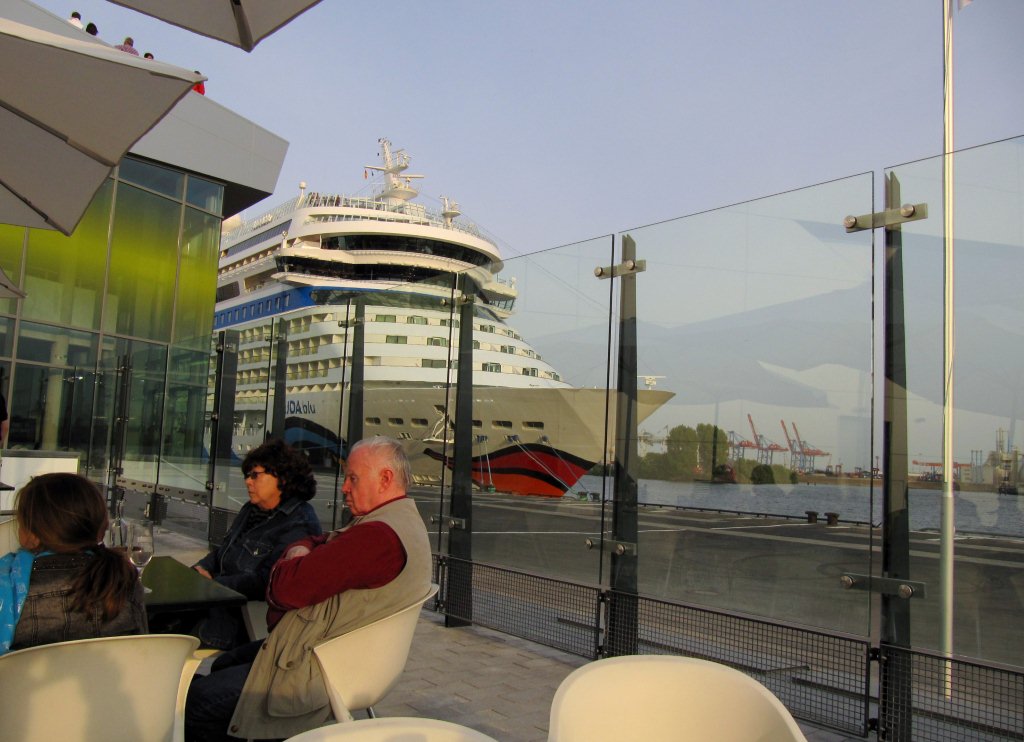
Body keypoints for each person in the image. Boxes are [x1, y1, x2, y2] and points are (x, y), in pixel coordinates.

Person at [185, 436, 431, 742]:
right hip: (333, 653)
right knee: (224, 662)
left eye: (353, 478)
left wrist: (297, 555)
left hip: (317, 665)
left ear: (385, 479)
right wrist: (303, 550)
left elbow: (284, 589)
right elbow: (320, 540)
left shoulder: (377, 537)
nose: (344, 488)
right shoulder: (397, 523)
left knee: (198, 702)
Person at [188, 438, 321, 649]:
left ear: (282, 477)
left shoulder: (298, 523)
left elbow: (267, 581)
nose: (248, 482)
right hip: (212, 606)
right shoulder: (251, 510)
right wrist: (199, 569)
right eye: (247, 475)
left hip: (238, 624)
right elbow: (223, 552)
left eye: (255, 475)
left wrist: (213, 585)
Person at [0, 473, 146, 654]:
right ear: (101, 528)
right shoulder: (125, 579)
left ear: (32, 535)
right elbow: (142, 651)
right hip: (106, 673)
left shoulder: (9, 583)